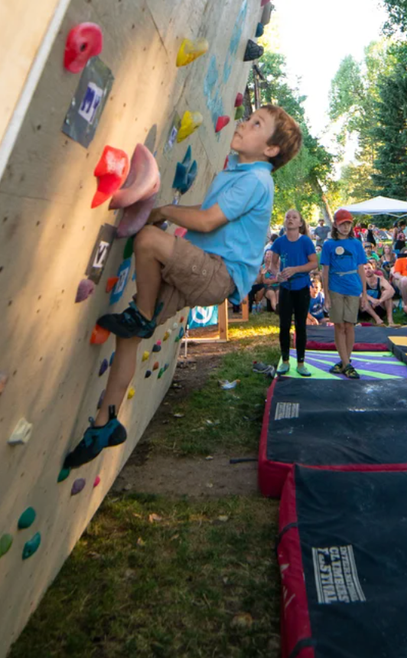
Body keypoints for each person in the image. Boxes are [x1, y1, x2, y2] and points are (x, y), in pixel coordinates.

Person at [64, 106, 302, 468]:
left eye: (256, 124)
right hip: (201, 270)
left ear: (271, 150)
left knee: (147, 240)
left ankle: (142, 314)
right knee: (128, 337)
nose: (243, 123)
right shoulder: (240, 172)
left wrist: (162, 212)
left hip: (216, 272)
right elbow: (207, 210)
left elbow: (206, 221)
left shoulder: (256, 180)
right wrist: (172, 210)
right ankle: (105, 425)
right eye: (248, 117)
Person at [269, 208, 318, 376]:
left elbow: (314, 263)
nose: (290, 219)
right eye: (287, 217)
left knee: (300, 325)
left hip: (302, 288)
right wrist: (277, 275)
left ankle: (301, 363)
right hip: (285, 289)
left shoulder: (305, 242)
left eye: (294, 217)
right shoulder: (279, 242)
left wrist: (295, 270)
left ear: (300, 223)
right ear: (284, 222)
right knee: (284, 325)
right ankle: (285, 361)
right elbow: (272, 265)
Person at [320, 208, 368, 379]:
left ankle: (346, 360)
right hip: (335, 288)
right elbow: (325, 272)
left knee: (350, 324)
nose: (346, 227)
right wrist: (326, 296)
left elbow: (361, 269)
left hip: (353, 287)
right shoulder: (328, 245)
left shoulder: (356, 244)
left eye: (348, 223)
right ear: (335, 225)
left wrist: (364, 294)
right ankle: (346, 363)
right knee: (339, 325)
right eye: (342, 224)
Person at [360, 261, 396, 325]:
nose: (367, 270)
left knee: (388, 295)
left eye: (369, 268)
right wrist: (372, 300)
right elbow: (358, 292)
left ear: (373, 269)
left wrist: (380, 300)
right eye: (365, 269)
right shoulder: (360, 280)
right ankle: (377, 319)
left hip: (378, 306)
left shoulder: (380, 279)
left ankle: (390, 321)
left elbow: (391, 290)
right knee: (361, 297)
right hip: (365, 309)